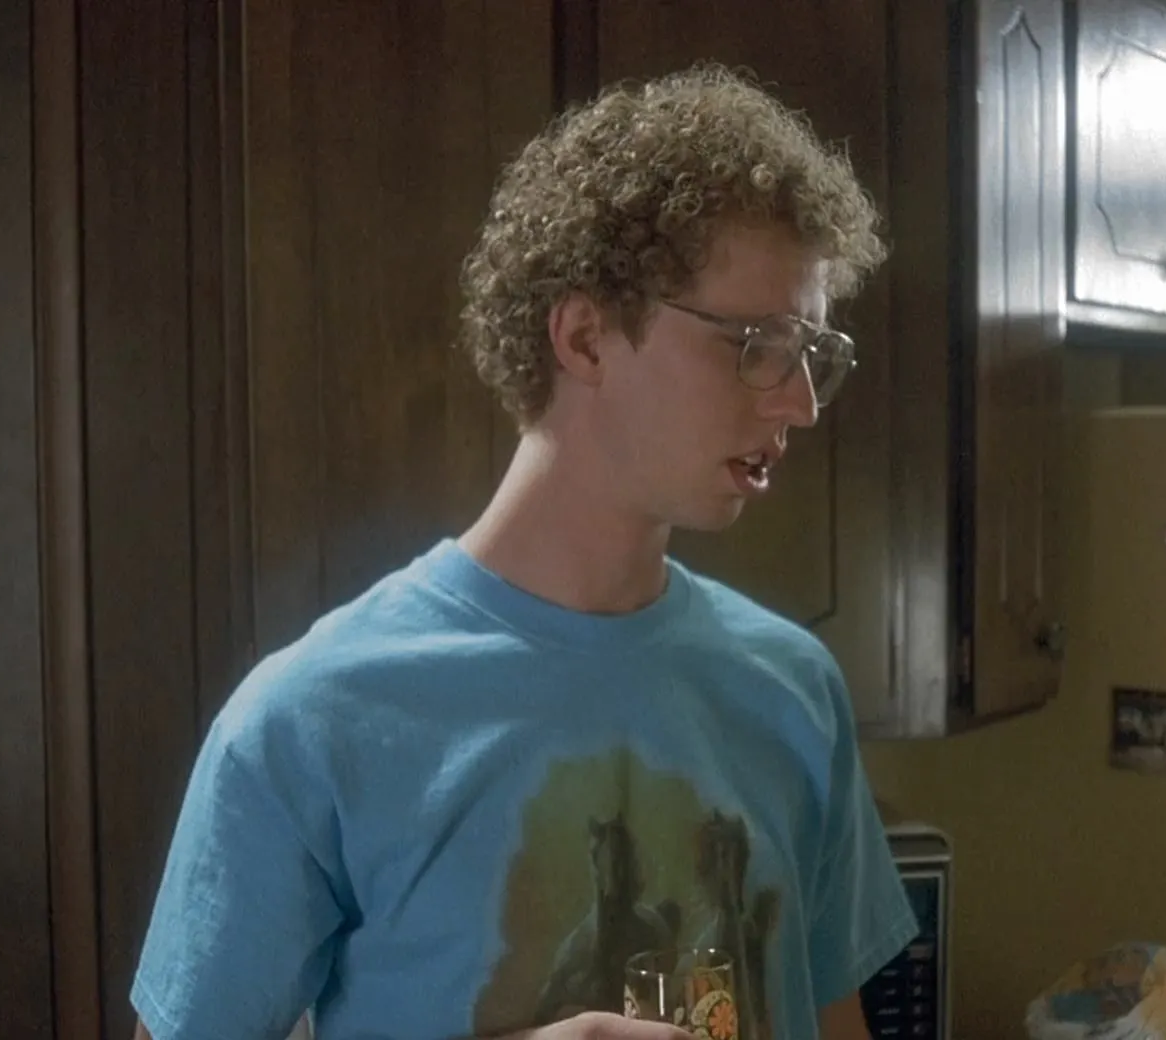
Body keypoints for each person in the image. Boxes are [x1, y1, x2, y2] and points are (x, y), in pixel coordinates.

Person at [129, 64, 916, 1040]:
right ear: (584, 337)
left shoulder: (795, 687)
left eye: (811, 355)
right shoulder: (311, 721)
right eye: (758, 341)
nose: (798, 402)